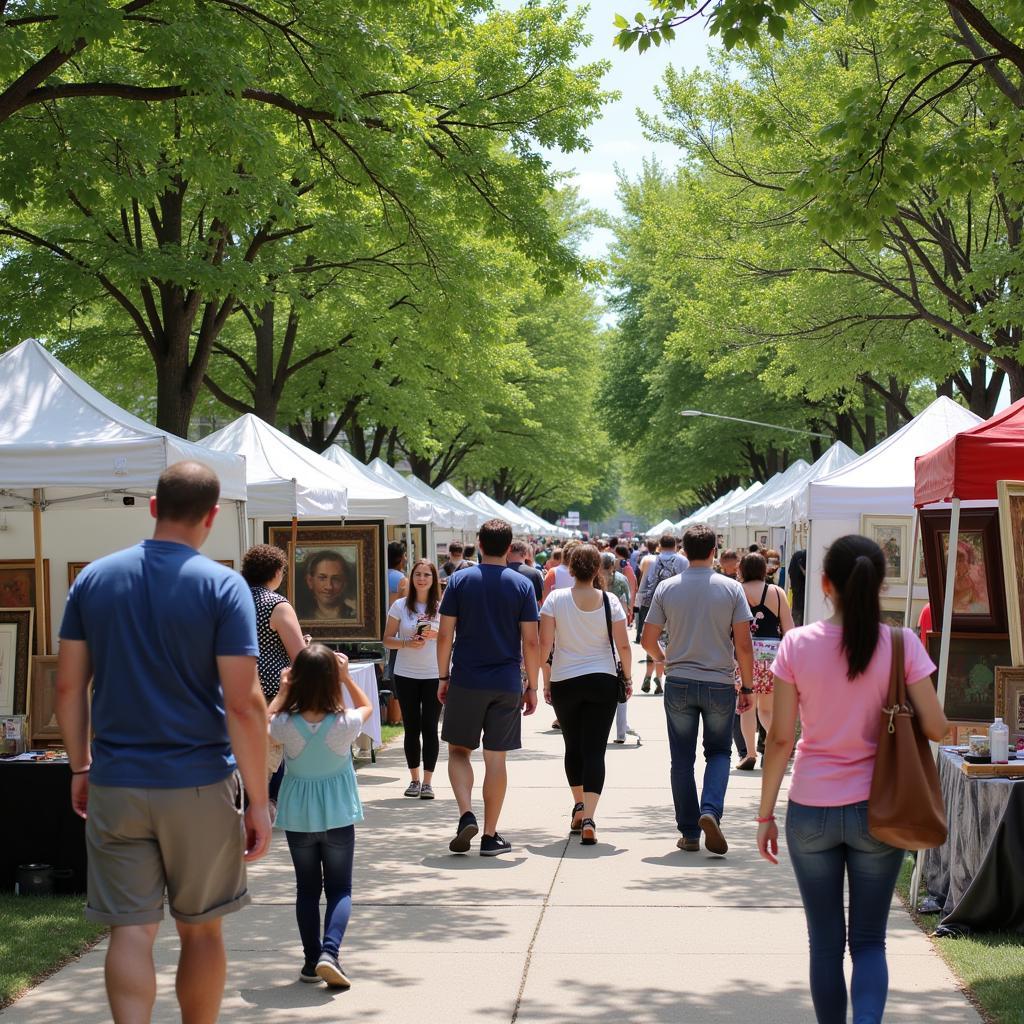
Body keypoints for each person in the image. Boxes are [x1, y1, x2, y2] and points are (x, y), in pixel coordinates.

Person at [55, 461, 270, 1023]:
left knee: (130, 931)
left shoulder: (94, 579)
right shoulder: (223, 586)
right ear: (213, 516)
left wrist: (80, 766)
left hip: (116, 781)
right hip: (199, 782)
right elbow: (245, 704)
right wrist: (260, 798)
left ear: (153, 507)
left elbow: (68, 685)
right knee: (201, 932)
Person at [757, 535, 948, 1024]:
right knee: (868, 940)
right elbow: (935, 726)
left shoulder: (798, 644)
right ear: (880, 584)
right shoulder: (901, 644)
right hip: (879, 810)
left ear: (824, 585)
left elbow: (779, 739)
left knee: (824, 945)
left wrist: (764, 815)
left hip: (811, 808)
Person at [641, 524, 754, 855]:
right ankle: (710, 810)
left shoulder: (667, 588)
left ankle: (689, 832)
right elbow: (744, 646)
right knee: (719, 752)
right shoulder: (732, 589)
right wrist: (746, 685)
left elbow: (648, 639)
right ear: (715, 551)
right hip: (719, 681)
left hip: (679, 680)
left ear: (684, 552)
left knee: (681, 759)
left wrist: (664, 660)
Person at [270, 644, 373, 988]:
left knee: (307, 890)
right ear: (333, 681)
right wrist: (346, 677)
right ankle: (331, 952)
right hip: (338, 816)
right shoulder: (342, 724)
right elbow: (367, 706)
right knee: (340, 888)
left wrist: (283, 690)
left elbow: (262, 722)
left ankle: (312, 960)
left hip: (299, 819)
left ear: (296, 679)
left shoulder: (285, 724)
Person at [436, 519, 541, 856]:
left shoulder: (459, 581)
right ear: (510, 547)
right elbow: (532, 641)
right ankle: (491, 835)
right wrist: (533, 685)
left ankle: (466, 812)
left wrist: (442, 677)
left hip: (466, 679)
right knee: (496, 759)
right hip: (506, 681)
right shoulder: (522, 585)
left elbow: (444, 634)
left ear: (478, 543)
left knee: (458, 751)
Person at [540, 545, 632, 845]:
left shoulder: (555, 599)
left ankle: (578, 804)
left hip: (565, 679)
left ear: (569, 568)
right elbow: (624, 647)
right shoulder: (610, 601)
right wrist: (628, 678)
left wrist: (544, 681)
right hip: (602, 680)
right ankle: (591, 815)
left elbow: (545, 645)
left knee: (572, 745)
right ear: (597, 570)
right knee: (595, 749)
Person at [242, 544, 309, 812]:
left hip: (236, 685)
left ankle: (246, 802)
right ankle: (269, 802)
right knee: (275, 751)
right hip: (272, 687)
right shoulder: (277, 604)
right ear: (277, 572)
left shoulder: (232, 600)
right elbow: (300, 656)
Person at [383, 559, 443, 799]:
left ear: (433, 579)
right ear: (411, 577)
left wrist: (434, 634)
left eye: (426, 575)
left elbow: (452, 637)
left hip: (433, 674)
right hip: (406, 674)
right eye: (418, 574)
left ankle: (428, 782)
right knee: (411, 727)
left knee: (430, 727)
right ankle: (414, 779)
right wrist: (407, 642)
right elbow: (387, 639)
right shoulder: (399, 606)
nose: (421, 579)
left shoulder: (441, 607)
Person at [735, 551, 795, 770]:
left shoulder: (736, 591)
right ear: (764, 570)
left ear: (742, 569)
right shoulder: (777, 593)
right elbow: (789, 629)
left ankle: (749, 754)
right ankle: (781, 746)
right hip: (772, 654)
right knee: (767, 710)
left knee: (746, 707)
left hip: (744, 653)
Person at [636, 534, 689, 694]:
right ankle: (661, 677)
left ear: (659, 545)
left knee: (652, 640)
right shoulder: (683, 561)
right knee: (669, 641)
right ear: (675, 545)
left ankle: (648, 674)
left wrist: (639, 604)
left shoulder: (648, 560)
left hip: (652, 605)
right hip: (676, 607)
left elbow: (643, 583)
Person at [600, 552, 639, 745]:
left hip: (598, 632)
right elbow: (627, 600)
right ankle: (620, 731)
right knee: (621, 685)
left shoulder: (593, 580)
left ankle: (603, 731)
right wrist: (629, 614)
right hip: (617, 628)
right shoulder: (621, 579)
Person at [299, 550, 357, 620]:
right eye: (322, 578)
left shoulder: (354, 615)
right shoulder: (300, 615)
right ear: (310, 581)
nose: (329, 587)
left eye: (336, 579)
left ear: (344, 583)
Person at [508, 539, 544, 604]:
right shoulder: (534, 573)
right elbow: (540, 600)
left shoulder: (499, 572)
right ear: (525, 554)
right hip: (528, 612)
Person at [788, 548, 807, 626]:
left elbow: (790, 573)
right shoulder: (806, 556)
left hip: (797, 595)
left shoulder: (796, 556)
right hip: (804, 595)